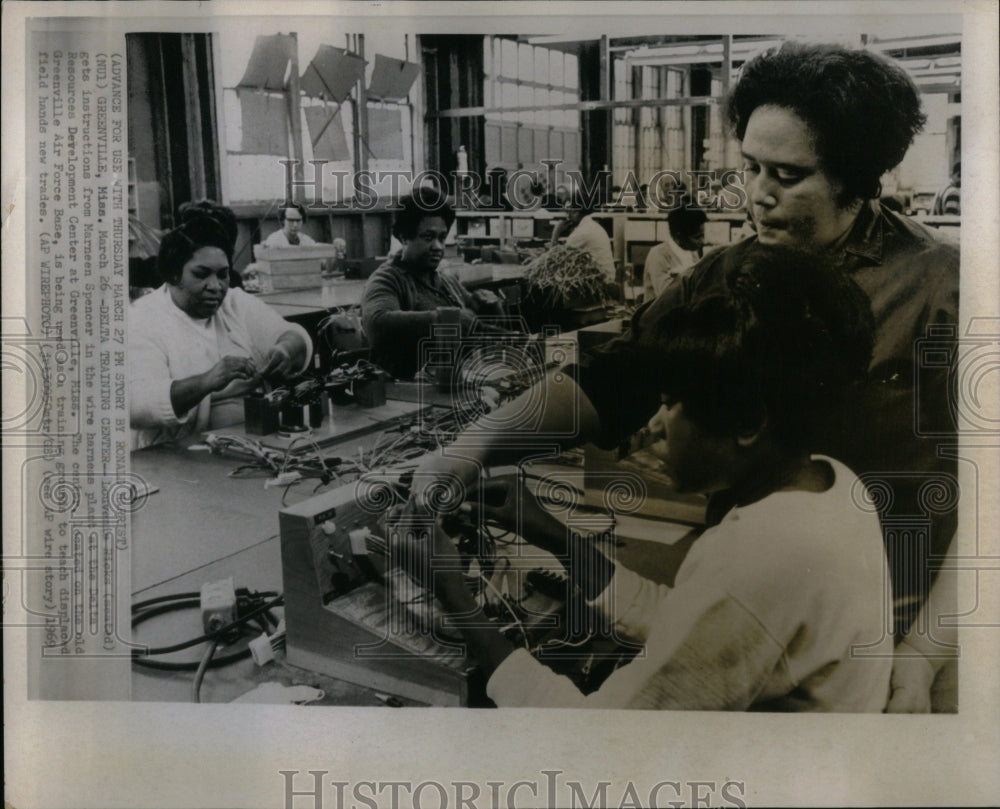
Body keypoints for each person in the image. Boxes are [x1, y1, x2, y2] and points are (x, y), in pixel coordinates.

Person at [413, 41, 960, 711]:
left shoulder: (941, 288)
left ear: (857, 177)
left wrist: (929, 648)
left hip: (902, 623)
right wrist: (475, 445)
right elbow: (616, 376)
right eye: (751, 167)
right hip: (751, 595)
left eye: (787, 175)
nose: (758, 195)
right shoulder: (730, 275)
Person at [404, 247, 893, 710]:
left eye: (671, 402)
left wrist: (454, 595)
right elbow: (690, 626)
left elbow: (594, 744)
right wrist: (550, 531)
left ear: (749, 423)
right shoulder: (836, 485)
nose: (655, 423)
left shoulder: (761, 555)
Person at [130, 211, 312, 449]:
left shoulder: (234, 303)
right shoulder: (143, 318)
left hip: (252, 442)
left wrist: (285, 350)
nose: (216, 286)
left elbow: (294, 336)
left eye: (223, 275)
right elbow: (137, 404)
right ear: (174, 274)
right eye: (201, 274)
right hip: (173, 454)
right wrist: (208, 380)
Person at [360, 188, 505, 380]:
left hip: (450, 381)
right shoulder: (387, 279)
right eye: (428, 237)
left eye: (442, 238)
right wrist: (444, 320)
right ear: (404, 237)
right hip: (405, 391)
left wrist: (490, 308)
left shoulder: (445, 281)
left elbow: (478, 325)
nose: (438, 246)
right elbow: (377, 323)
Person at [641, 203, 707, 301]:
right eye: (697, 237)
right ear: (678, 236)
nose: (703, 241)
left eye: (703, 235)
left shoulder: (692, 252)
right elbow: (667, 297)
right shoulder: (658, 255)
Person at [550, 194, 617, 284]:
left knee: (555, 277)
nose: (567, 214)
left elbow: (555, 258)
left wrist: (556, 232)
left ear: (577, 211)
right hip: (605, 277)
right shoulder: (591, 225)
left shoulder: (582, 231)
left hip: (600, 282)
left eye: (570, 210)